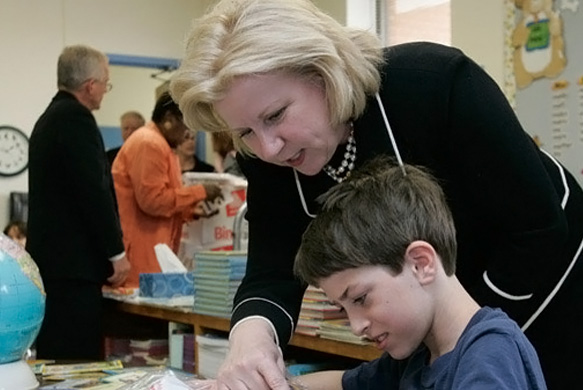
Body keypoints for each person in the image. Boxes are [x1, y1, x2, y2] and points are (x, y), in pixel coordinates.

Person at [169, 0, 583, 388]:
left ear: (324, 73)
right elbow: (271, 270)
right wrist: (251, 337)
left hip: (549, 282)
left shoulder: (433, 83)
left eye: (276, 115)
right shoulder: (268, 154)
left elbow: (537, 230)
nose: (268, 148)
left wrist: (461, 340)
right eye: (245, 133)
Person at [293, 157, 547, 389]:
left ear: (420, 264)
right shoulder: (418, 356)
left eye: (360, 299)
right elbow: (344, 383)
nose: (357, 327)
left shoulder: (490, 356)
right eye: (342, 308)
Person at [27, 44, 130, 360]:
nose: (105, 91)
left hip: (52, 266)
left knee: (55, 357)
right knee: (77, 362)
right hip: (73, 269)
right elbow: (94, 191)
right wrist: (116, 253)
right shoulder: (76, 120)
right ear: (90, 85)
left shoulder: (48, 120)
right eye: (106, 83)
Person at [111, 92, 222, 287]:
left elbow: (163, 201)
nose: (188, 134)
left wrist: (190, 212)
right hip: (141, 258)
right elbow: (153, 201)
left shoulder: (160, 145)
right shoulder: (149, 144)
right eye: (186, 126)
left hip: (150, 254)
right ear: (169, 120)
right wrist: (200, 191)